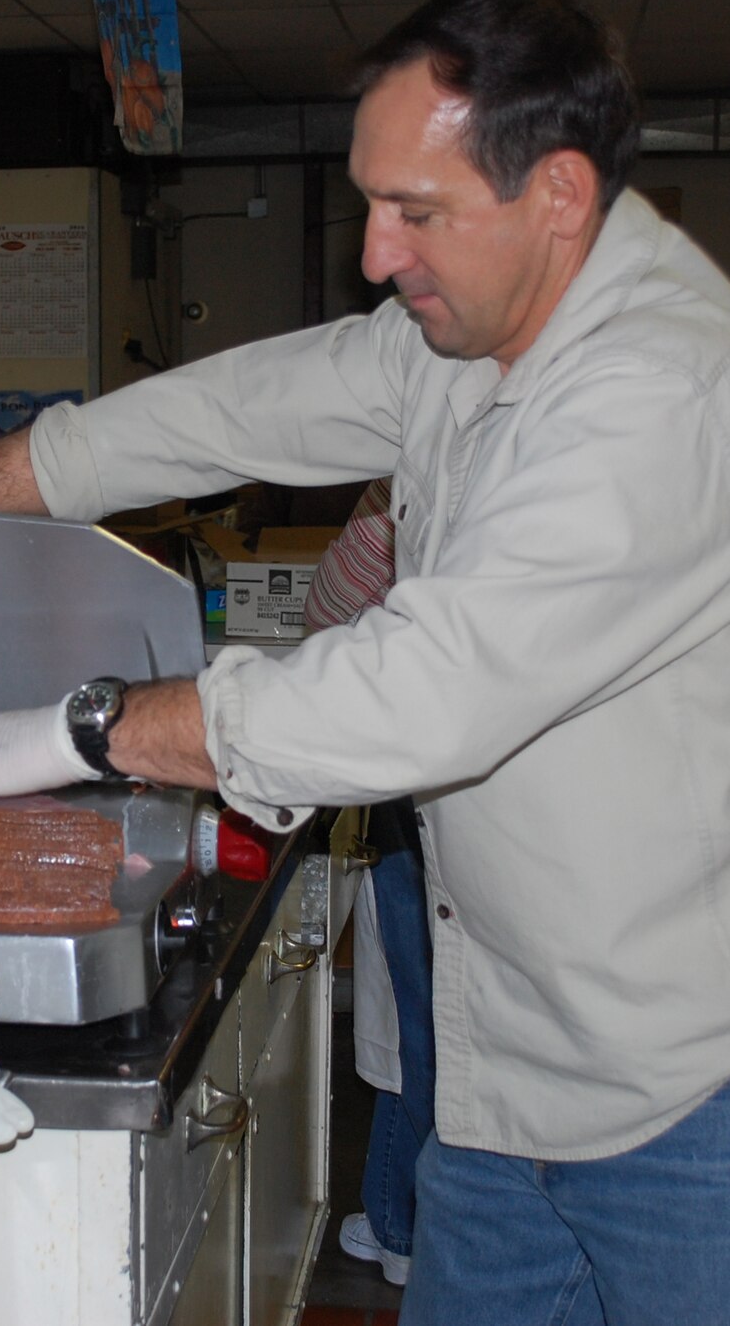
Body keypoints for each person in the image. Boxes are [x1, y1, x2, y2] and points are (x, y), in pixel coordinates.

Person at [0, 0, 730, 1319]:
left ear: (561, 196)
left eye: (414, 208)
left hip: (727, 1091)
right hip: (519, 1075)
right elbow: (231, 408)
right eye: (370, 203)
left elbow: (427, 692)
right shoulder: (467, 338)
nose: (374, 253)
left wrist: (84, 726)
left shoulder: (664, 393)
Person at [304, 480, 434, 1289]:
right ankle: (413, 1219)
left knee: (424, 1029)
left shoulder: (412, 488)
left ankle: (404, 1226)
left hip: (417, 806)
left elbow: (328, 616)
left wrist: (386, 489)